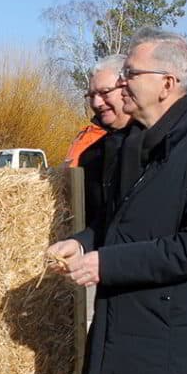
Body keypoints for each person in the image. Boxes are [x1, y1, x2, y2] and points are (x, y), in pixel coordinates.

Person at [48, 27, 187, 374]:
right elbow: (115, 225)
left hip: (171, 359)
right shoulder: (130, 150)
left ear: (167, 84)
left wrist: (106, 263)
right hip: (118, 346)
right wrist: (82, 243)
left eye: (132, 74)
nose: (123, 83)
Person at [69, 54, 132, 248]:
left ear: (129, 88)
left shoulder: (156, 146)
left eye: (105, 92)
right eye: (91, 95)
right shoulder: (89, 154)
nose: (96, 103)